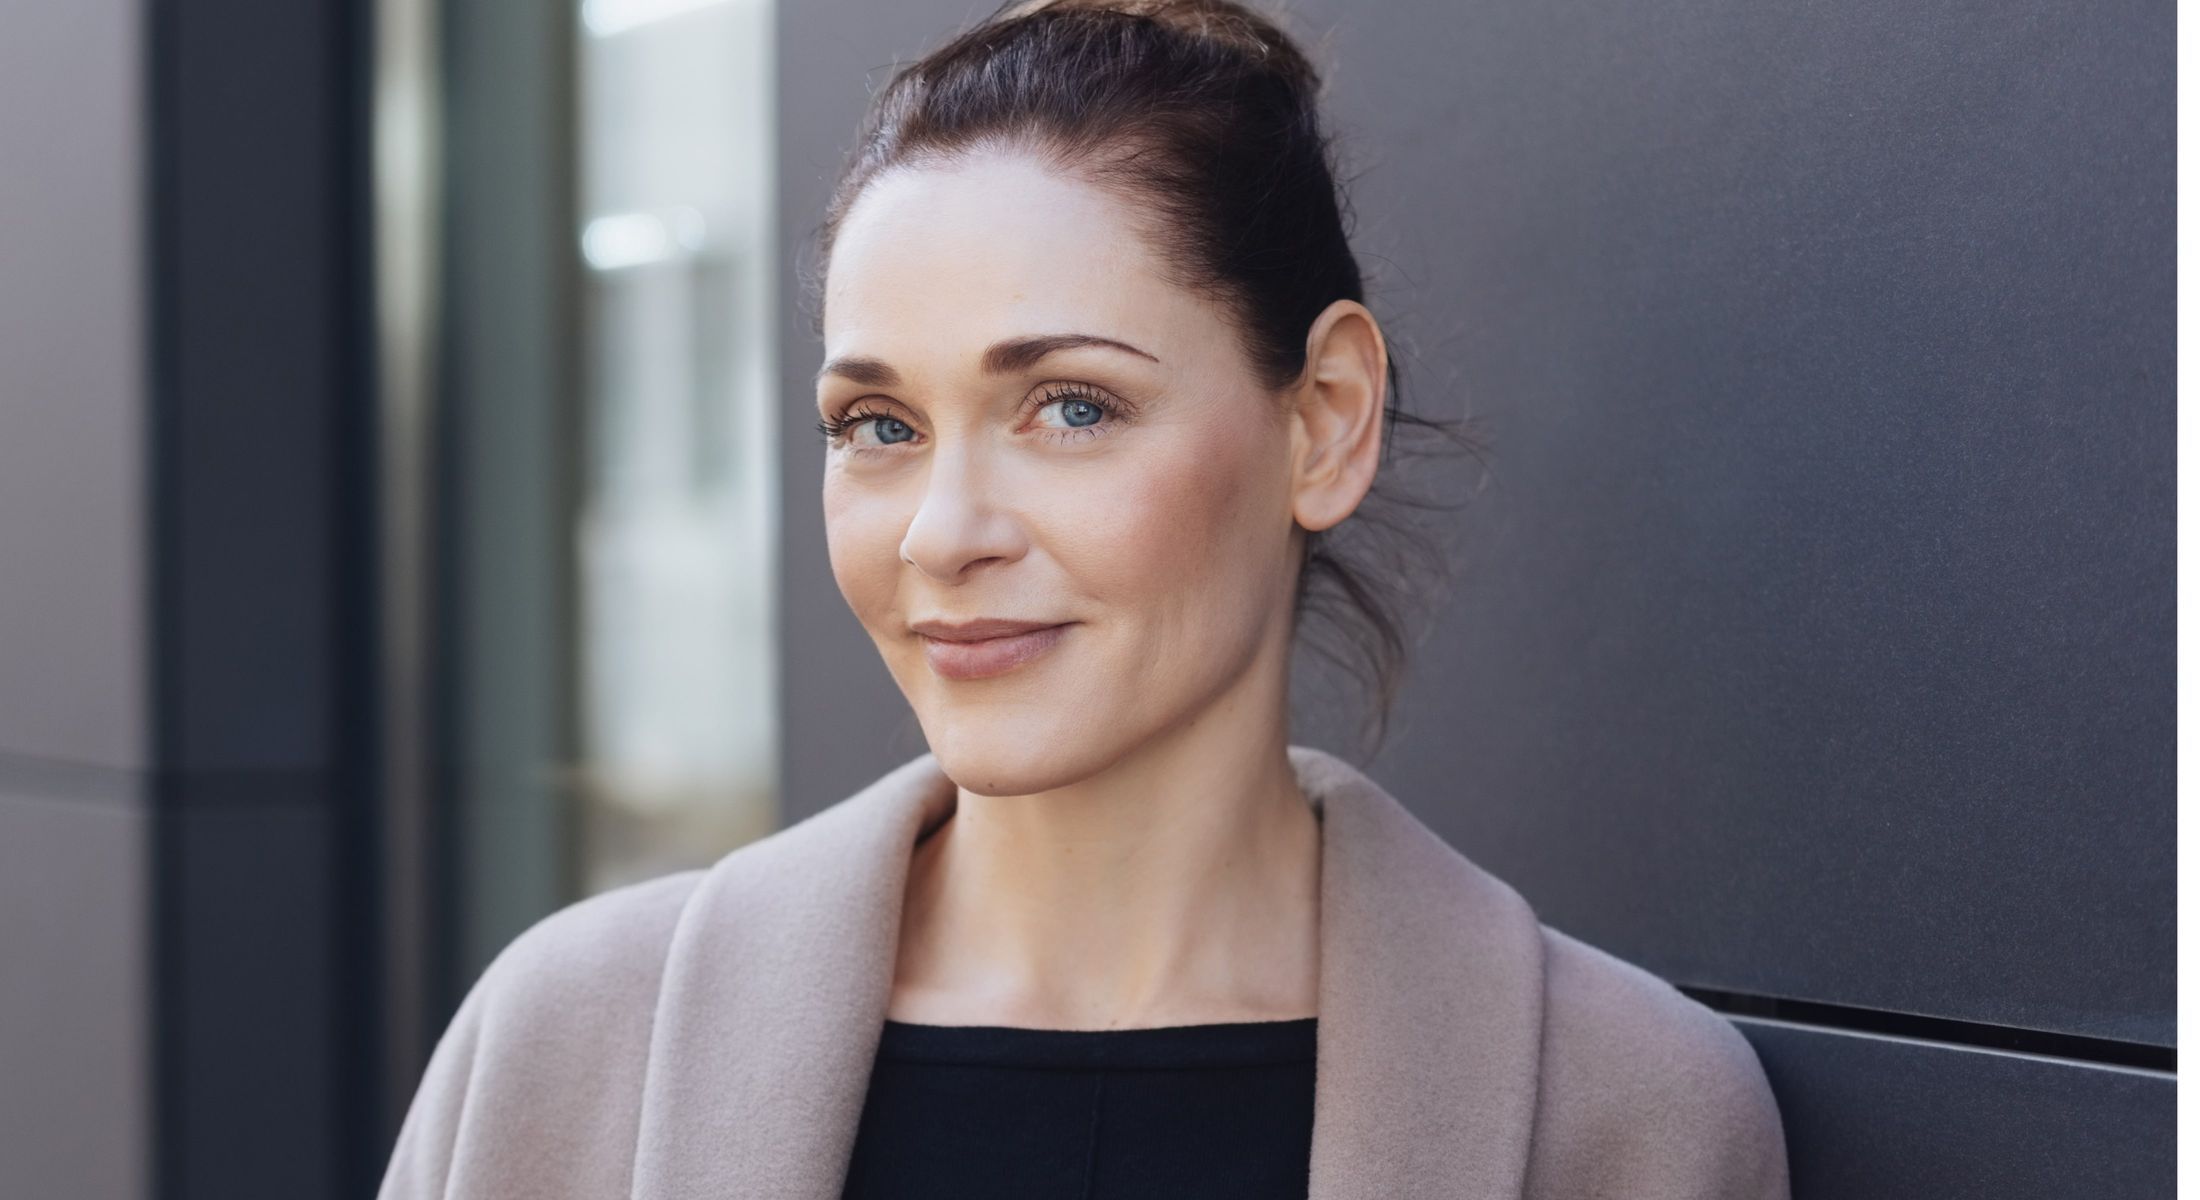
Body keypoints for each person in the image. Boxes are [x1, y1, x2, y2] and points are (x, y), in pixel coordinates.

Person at [377, 1, 1791, 1196]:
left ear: (1327, 422)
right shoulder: (569, 1051)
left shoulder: (1622, 1116)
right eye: (879, 426)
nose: (944, 532)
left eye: (1069, 406)